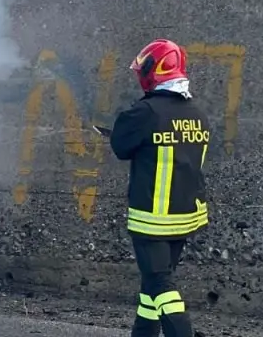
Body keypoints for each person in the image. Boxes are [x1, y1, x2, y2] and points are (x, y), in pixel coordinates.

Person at [109, 39, 208, 337]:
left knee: (161, 286)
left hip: (153, 218)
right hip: (186, 216)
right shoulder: (198, 113)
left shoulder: (146, 113)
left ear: (154, 71)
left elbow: (121, 147)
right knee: (152, 286)